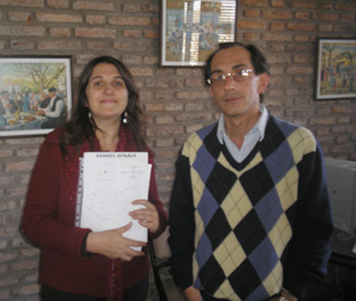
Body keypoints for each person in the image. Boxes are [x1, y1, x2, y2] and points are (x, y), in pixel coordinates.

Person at [168, 42, 333, 301]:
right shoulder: (195, 147)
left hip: (274, 294)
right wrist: (188, 287)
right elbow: (181, 224)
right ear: (211, 90)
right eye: (218, 77)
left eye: (240, 73)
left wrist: (293, 291)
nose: (229, 85)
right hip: (207, 293)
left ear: (263, 82)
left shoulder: (299, 144)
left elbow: (316, 227)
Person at [21, 56, 168, 301]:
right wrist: (89, 242)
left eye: (118, 84)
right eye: (98, 83)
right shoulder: (58, 145)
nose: (109, 89)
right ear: (85, 99)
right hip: (71, 287)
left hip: (132, 283)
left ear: (128, 96)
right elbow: (33, 225)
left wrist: (156, 221)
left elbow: (157, 210)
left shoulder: (139, 148)